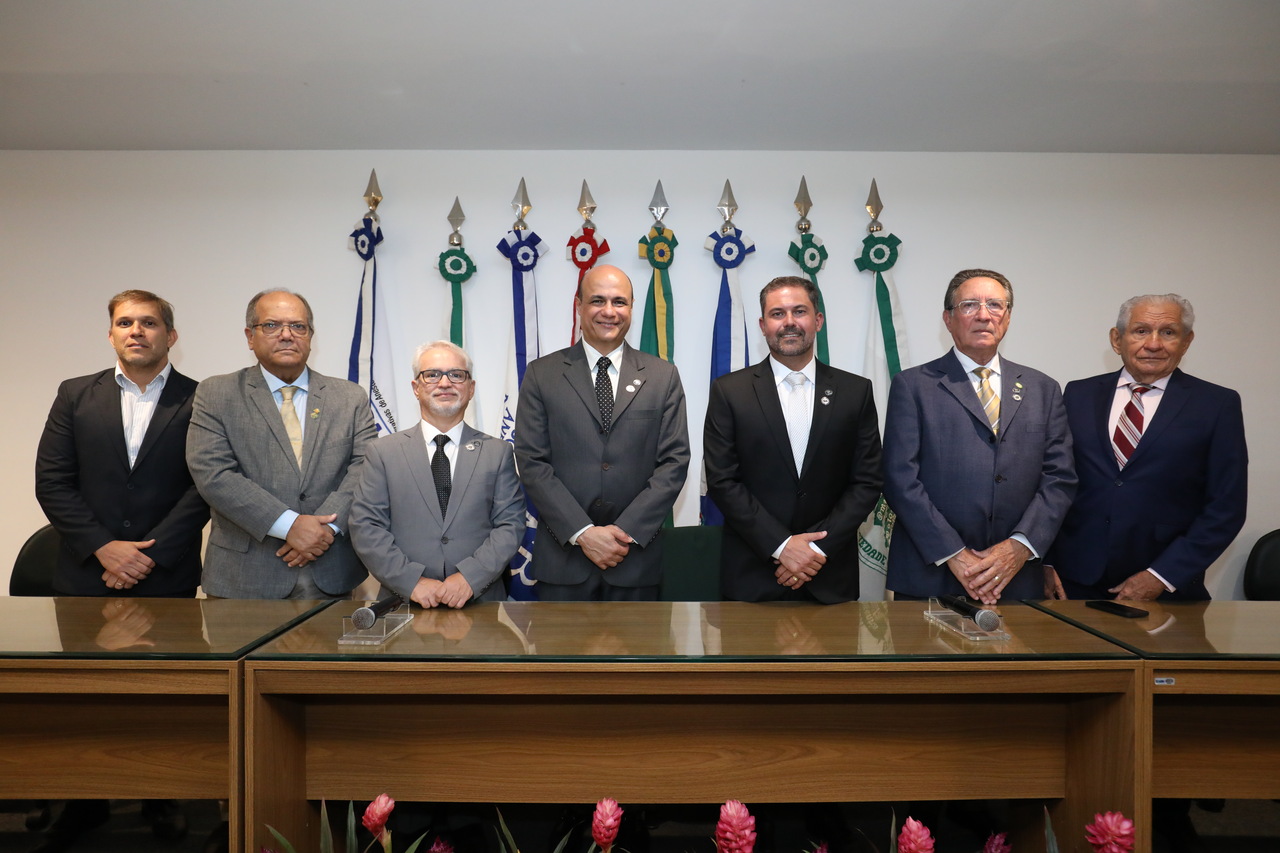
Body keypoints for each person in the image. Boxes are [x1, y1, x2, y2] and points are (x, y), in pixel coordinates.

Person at [33, 289, 202, 850]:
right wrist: (105, 548)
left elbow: (205, 487)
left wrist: (146, 555)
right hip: (86, 575)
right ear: (110, 334)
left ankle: (161, 797)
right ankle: (84, 805)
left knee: (160, 698)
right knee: (86, 700)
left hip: (165, 575)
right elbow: (52, 482)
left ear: (170, 336)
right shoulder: (75, 394)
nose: (136, 331)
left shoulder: (200, 399)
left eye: (149, 323)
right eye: (125, 322)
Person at [882, 268, 1075, 603]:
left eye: (995, 305)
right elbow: (899, 479)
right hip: (932, 575)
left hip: (1015, 577)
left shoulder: (1043, 389)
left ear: (1008, 317)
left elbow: (1060, 479)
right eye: (970, 305)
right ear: (948, 318)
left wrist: (1018, 548)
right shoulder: (912, 386)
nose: (984, 315)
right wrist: (955, 554)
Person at [1046, 294, 1247, 602]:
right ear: (1117, 340)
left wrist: (1162, 575)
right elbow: (1051, 481)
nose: (1153, 344)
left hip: (1166, 588)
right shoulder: (1077, 394)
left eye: (1168, 332)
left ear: (1186, 342)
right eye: (1141, 331)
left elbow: (1226, 507)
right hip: (1072, 584)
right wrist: (1045, 562)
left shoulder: (1217, 405)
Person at [514, 264, 690, 601]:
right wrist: (583, 533)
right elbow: (532, 463)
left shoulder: (662, 376)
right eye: (598, 300)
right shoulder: (541, 374)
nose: (609, 311)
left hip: (636, 562)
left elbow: (674, 463)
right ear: (579, 305)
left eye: (619, 302)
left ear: (632, 307)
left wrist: (622, 533)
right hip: (564, 564)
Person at [186, 289, 376, 599]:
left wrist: (323, 530)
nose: (287, 335)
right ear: (250, 336)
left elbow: (366, 469)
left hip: (330, 572)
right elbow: (213, 474)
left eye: (298, 326)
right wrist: (289, 525)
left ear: (310, 336)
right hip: (243, 578)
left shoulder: (349, 397)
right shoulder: (216, 393)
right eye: (272, 325)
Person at [704, 276, 883, 602]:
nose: (789, 322)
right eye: (777, 314)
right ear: (763, 325)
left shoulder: (855, 392)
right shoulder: (729, 392)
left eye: (799, 311)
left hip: (829, 574)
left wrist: (815, 550)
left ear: (818, 320)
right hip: (753, 575)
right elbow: (722, 480)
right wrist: (782, 546)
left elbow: (867, 482)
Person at [350, 341, 525, 607]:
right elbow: (366, 527)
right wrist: (412, 582)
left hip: (480, 603)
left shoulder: (498, 452)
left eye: (456, 375)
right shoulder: (382, 452)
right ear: (416, 388)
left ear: (470, 388)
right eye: (432, 375)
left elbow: (510, 525)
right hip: (403, 602)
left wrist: (469, 579)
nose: (445, 383)